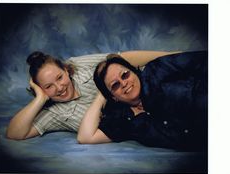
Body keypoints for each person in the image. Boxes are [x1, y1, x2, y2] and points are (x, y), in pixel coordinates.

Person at [6, 50, 180, 140]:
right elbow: (14, 134)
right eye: (48, 86)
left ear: (66, 70)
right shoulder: (54, 113)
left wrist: (174, 56)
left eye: (59, 77)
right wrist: (39, 99)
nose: (59, 87)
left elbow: (121, 59)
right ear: (41, 89)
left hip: (151, 89)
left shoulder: (79, 65)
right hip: (144, 120)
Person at [77, 51, 208, 151]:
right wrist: (101, 95)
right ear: (113, 97)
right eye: (115, 85)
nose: (123, 83)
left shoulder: (158, 70)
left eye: (125, 75)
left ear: (133, 71)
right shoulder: (125, 120)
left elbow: (205, 60)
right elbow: (85, 137)